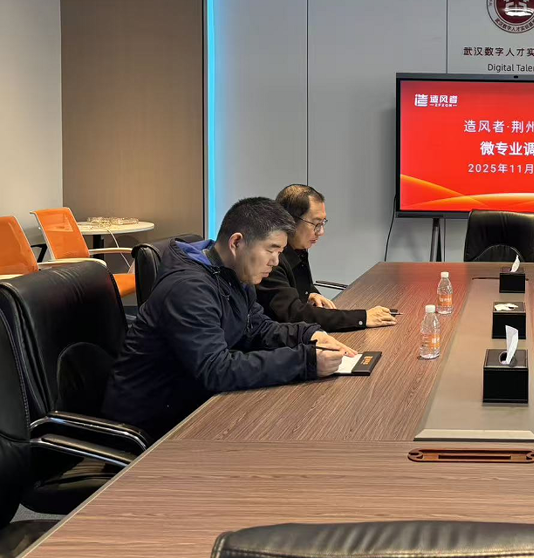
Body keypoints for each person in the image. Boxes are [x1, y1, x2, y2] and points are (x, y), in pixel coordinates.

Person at [102, 197, 357, 438]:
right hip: (155, 424)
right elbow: (216, 369)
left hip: (195, 405)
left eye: (280, 252)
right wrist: (305, 361)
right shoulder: (188, 289)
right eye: (271, 250)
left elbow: (257, 328)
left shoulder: (232, 273)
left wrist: (309, 335)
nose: (275, 261)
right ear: (236, 243)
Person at [256, 184, 395, 331]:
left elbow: (298, 289)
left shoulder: (298, 249)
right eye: (316, 224)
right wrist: (362, 318)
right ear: (290, 221)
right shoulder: (271, 260)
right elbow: (294, 314)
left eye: (323, 223)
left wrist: (310, 294)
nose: (321, 232)